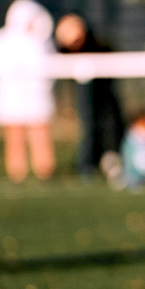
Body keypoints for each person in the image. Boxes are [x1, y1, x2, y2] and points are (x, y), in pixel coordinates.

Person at [0, 0, 57, 183]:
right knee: (15, 135)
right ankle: (17, 173)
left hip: (37, 98)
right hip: (11, 98)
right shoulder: (2, 40)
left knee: (40, 132)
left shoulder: (41, 42)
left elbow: (51, 66)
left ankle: (44, 171)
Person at [54, 13, 126, 181]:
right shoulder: (65, 54)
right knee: (90, 125)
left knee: (109, 124)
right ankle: (87, 165)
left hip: (105, 95)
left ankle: (111, 161)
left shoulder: (98, 46)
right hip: (87, 94)